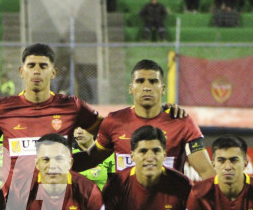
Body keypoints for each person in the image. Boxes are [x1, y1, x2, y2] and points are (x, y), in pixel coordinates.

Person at [0, 43, 102, 187]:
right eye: (31, 66)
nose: (36, 71)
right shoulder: (2, 108)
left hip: (60, 201)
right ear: (21, 71)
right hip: (16, 204)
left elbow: (107, 137)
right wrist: (2, 173)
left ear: (53, 72)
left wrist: (75, 163)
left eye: (42, 66)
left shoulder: (72, 106)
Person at [72, 59, 215, 181]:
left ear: (163, 89)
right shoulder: (114, 121)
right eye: (140, 81)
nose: (146, 87)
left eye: (153, 82)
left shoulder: (182, 122)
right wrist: (57, 162)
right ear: (131, 88)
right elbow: (91, 158)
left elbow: (207, 173)